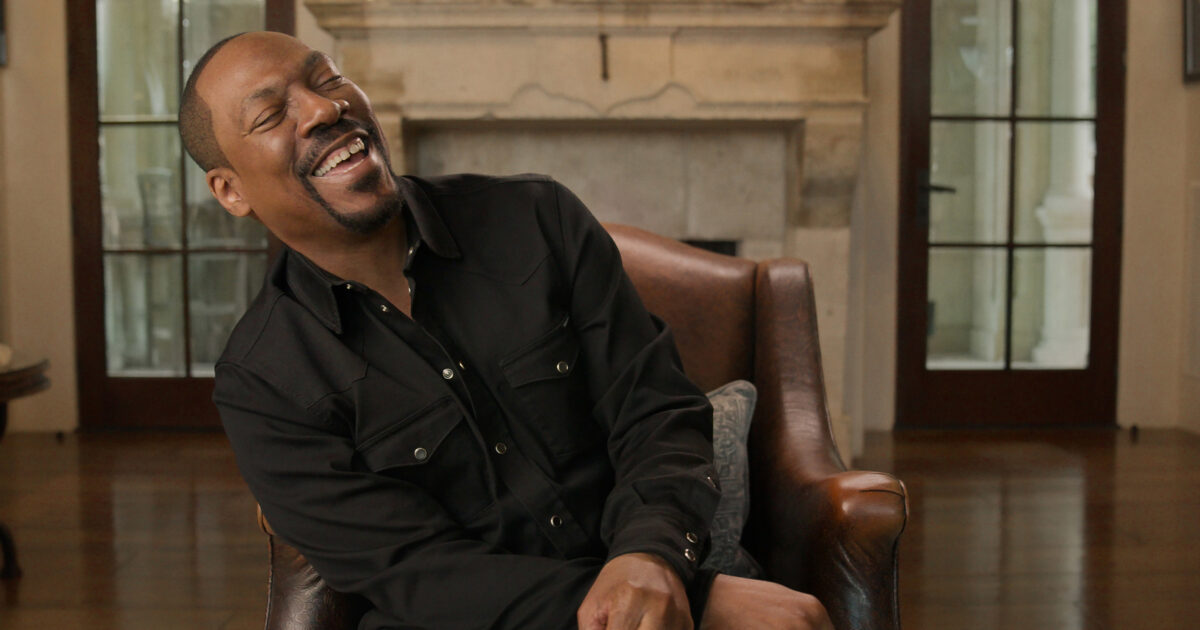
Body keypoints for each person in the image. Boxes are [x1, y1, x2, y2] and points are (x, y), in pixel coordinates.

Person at [189, 30, 833, 630]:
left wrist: (653, 558)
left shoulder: (537, 217)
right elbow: (413, 570)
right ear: (230, 191)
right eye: (270, 115)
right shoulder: (262, 383)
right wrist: (676, 599)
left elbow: (655, 411)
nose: (323, 109)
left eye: (327, 78)